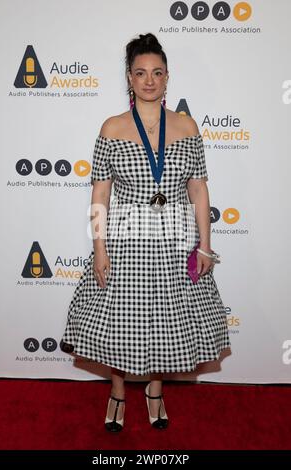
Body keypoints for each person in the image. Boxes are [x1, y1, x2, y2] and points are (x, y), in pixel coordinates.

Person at [61, 33, 231, 433]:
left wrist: (205, 246)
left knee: (168, 319)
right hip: (125, 236)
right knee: (122, 320)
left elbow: (198, 189)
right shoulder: (112, 128)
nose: (149, 80)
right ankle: (118, 391)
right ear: (129, 78)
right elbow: (100, 193)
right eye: (141, 73)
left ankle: (155, 390)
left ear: (167, 77)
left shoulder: (188, 127)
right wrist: (99, 248)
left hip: (175, 237)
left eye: (157, 72)